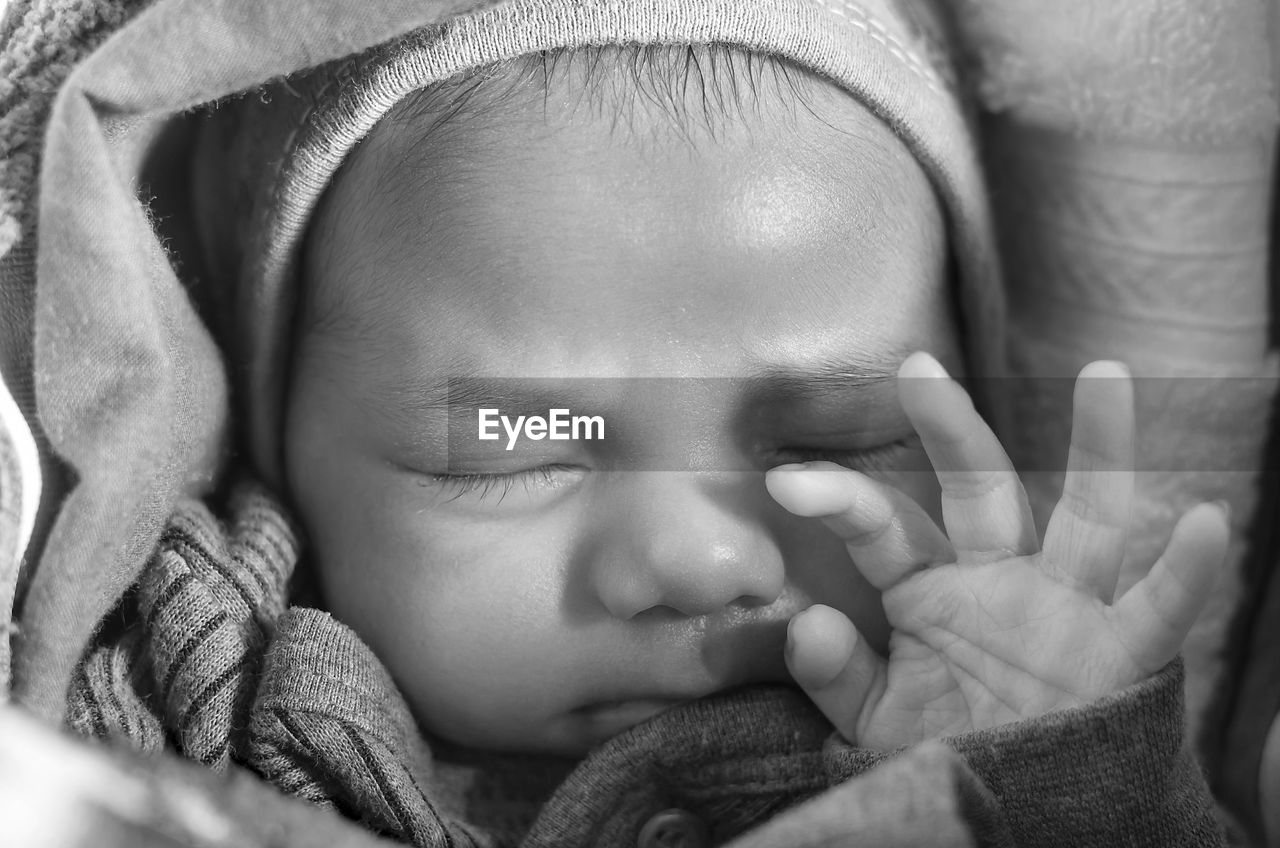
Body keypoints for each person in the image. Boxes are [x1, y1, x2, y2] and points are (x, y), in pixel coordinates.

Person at [0, 0, 1269, 846]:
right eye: (527, 443)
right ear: (281, 443)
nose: (700, 559)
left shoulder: (986, 741)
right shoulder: (190, 687)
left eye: (826, 441)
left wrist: (1059, 772)